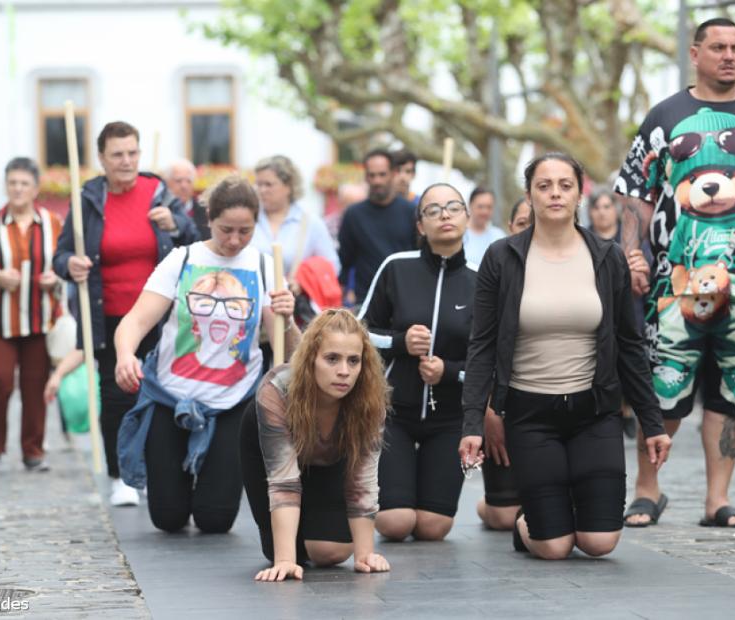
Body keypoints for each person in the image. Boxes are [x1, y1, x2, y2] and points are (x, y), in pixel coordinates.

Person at [460, 153, 671, 560]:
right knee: (554, 547)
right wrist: (473, 421)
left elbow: (630, 344)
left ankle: (569, 505)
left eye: (565, 185)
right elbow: (482, 345)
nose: (555, 193)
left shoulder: (607, 257)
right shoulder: (502, 258)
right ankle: (530, 523)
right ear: (530, 195)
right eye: (544, 185)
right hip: (530, 416)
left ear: (579, 193)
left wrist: (652, 422)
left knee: (599, 542)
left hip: (594, 414)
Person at [613, 17, 735, 528]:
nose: (729, 55)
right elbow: (635, 194)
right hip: (672, 283)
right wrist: (633, 255)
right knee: (665, 385)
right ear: (695, 53)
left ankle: (717, 499)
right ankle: (646, 490)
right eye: (718, 47)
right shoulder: (665, 116)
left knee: (732, 386)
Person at [114, 175, 299, 534]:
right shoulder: (182, 260)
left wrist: (288, 318)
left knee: (214, 520)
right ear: (209, 220)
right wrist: (125, 354)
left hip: (233, 401)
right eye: (226, 229)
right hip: (172, 396)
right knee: (168, 518)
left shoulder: (264, 267)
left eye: (245, 231)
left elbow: (290, 352)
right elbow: (135, 320)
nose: (234, 240)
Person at [52, 120, 198, 507]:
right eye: (117, 154)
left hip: (160, 314)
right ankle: (121, 476)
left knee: (161, 393)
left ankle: (157, 470)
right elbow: (61, 255)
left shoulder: (159, 192)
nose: (126, 161)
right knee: (116, 394)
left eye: (132, 152)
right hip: (109, 315)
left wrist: (176, 224)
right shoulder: (87, 199)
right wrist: (72, 265)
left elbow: (196, 240)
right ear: (102, 158)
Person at [358, 183, 477, 541]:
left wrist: (450, 371)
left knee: (432, 527)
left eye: (454, 207)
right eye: (433, 210)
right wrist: (400, 341)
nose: (444, 215)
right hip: (394, 411)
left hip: (450, 418)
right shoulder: (396, 268)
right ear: (420, 225)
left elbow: (491, 362)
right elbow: (357, 333)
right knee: (396, 524)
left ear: (467, 219)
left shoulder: (482, 281)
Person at [241, 309, 391, 581]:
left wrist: (365, 555)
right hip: (270, 457)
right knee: (289, 553)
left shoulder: (370, 401)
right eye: (332, 359)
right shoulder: (277, 390)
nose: (344, 371)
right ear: (311, 358)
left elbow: (362, 482)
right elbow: (283, 483)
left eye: (353, 360)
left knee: (331, 551)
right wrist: (285, 562)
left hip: (326, 460)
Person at [0, 157, 63, 472]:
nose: (18, 189)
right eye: (13, 183)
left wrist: (56, 278)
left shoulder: (53, 223)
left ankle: (33, 452)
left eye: (24, 183)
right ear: (5, 186)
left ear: (35, 188)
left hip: (40, 318)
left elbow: (66, 261)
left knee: (36, 387)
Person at [587, 190, 645, 439]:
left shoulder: (630, 238)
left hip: (630, 308)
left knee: (630, 358)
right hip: (594, 310)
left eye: (606, 206)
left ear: (615, 210)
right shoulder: (581, 238)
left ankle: (629, 409)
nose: (602, 212)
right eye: (597, 207)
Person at [337, 149, 417, 305]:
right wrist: (344, 293)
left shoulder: (411, 212)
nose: (377, 181)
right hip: (365, 300)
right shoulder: (353, 215)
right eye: (372, 175)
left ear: (393, 173)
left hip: (405, 299)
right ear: (366, 176)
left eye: (382, 174)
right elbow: (345, 260)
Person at [251, 154, 340, 277]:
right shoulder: (249, 219)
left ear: (288, 187)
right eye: (258, 184)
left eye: (268, 184)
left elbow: (332, 267)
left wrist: (303, 281)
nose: (261, 190)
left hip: (295, 294)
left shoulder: (310, 222)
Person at [167, 158, 211, 241]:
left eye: (189, 181)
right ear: (167, 182)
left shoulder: (205, 211)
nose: (184, 186)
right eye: (178, 181)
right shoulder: (162, 210)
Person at [462, 186, 507, 265]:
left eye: (489, 207)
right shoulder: (459, 235)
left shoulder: (499, 236)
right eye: (480, 207)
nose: (485, 211)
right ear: (470, 206)